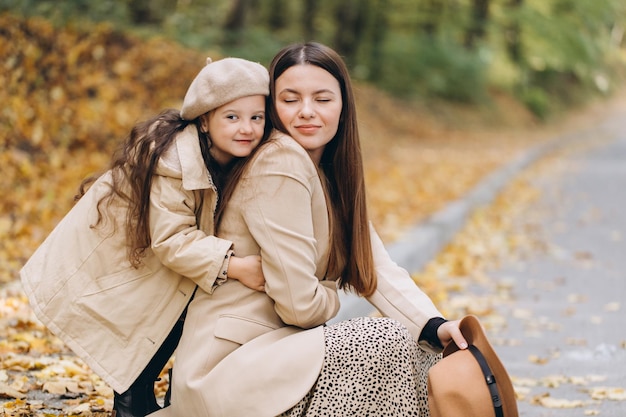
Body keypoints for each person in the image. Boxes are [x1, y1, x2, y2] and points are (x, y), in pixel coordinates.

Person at [150, 42, 469, 417]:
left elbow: (374, 265)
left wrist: (433, 326)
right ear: (272, 108)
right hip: (231, 368)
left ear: (342, 107)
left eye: (322, 99)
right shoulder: (279, 162)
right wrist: (332, 295)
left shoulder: (324, 172)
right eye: (290, 99)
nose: (306, 112)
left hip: (272, 360)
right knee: (383, 340)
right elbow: (301, 307)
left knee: (414, 347)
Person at [19, 57, 270, 417]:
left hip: (154, 257)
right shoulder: (174, 163)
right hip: (122, 256)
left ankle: (162, 394)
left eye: (256, 117)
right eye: (232, 117)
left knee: (181, 309)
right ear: (204, 119)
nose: (246, 127)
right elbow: (172, 240)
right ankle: (132, 400)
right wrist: (236, 265)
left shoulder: (228, 153)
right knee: (158, 318)